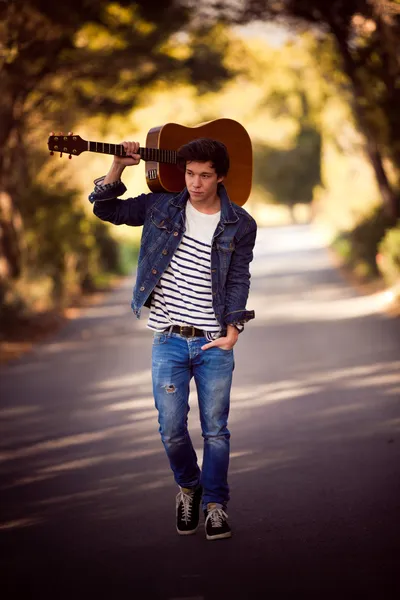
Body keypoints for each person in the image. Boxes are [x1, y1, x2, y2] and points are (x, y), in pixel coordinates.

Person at [89, 137, 257, 540]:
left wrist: (234, 329)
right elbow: (106, 208)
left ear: (221, 177)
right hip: (168, 338)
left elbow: (237, 278)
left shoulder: (240, 223)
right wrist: (118, 168)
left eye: (203, 176)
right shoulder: (161, 205)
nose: (194, 183)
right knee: (171, 428)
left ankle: (216, 505)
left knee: (216, 429)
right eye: (189, 174)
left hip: (213, 342)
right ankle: (189, 487)